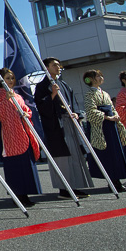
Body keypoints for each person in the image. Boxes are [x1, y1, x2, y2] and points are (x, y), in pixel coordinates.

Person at [34, 58, 92, 199]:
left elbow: (74, 103)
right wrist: (52, 95)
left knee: (75, 155)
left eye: (58, 65)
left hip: (70, 122)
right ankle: (64, 188)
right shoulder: (42, 86)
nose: (58, 67)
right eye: (54, 65)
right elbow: (41, 107)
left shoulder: (64, 84)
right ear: (46, 68)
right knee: (62, 158)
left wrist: (76, 114)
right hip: (56, 126)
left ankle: (75, 186)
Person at [0, 68, 42, 207]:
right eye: (7, 78)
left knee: (25, 164)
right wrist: (6, 100)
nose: (11, 81)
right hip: (10, 134)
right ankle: (18, 195)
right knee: (14, 165)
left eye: (12, 78)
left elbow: (27, 109)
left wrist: (26, 114)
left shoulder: (17, 95)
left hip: (23, 131)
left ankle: (26, 193)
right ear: (0, 81)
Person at [83, 70, 126, 193]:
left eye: (100, 75)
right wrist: (107, 117)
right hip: (101, 126)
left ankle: (116, 180)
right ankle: (113, 181)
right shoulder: (89, 94)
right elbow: (90, 111)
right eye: (98, 76)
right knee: (107, 154)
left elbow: (112, 108)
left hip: (111, 124)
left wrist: (115, 115)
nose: (101, 77)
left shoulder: (105, 93)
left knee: (115, 152)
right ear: (91, 79)